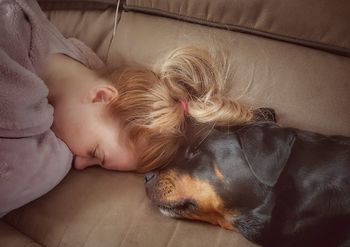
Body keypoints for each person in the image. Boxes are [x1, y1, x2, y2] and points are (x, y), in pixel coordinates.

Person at [0, 0, 253, 216]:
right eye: (95, 152)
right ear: (101, 95)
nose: (78, 164)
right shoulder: (21, 107)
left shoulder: (73, 61)